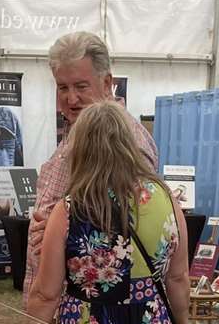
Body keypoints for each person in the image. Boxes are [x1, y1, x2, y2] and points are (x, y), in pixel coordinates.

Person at [24, 101, 191, 324]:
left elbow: (46, 294)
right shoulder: (165, 197)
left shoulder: (69, 209)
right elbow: (178, 277)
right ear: (128, 143)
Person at [25, 31, 157, 303]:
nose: (71, 98)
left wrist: (60, 229)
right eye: (62, 87)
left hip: (92, 310)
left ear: (107, 82)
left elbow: (136, 220)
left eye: (80, 86)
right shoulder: (77, 128)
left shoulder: (126, 139)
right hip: (59, 299)